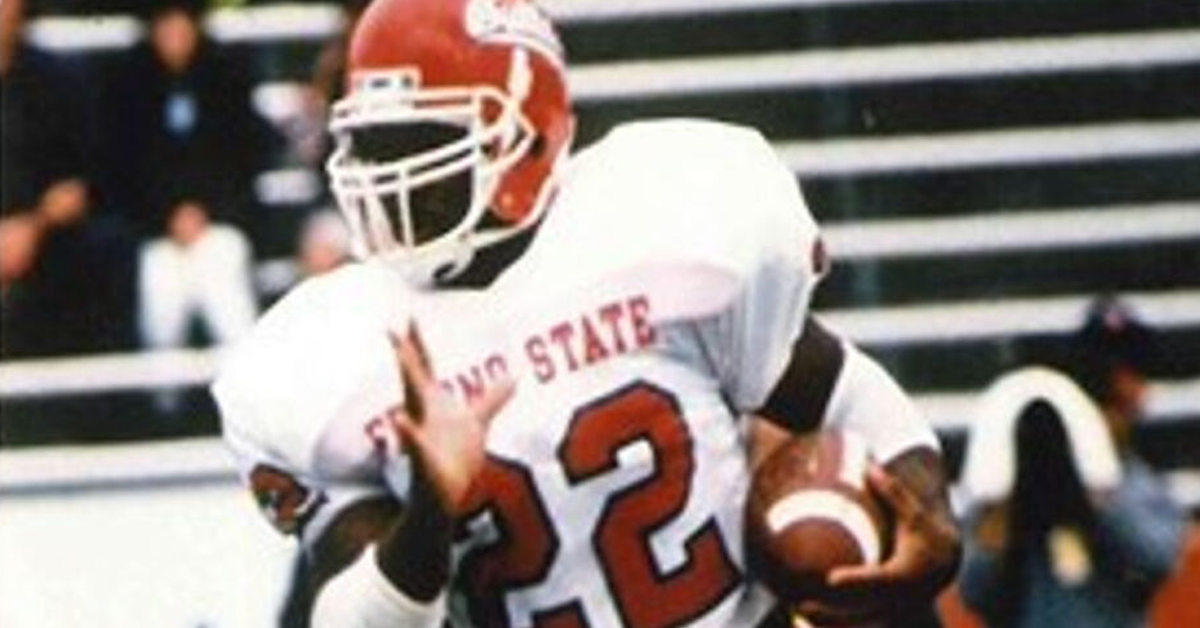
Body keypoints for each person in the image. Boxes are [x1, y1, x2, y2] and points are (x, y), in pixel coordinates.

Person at [211, 1, 961, 627]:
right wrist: (429, 515)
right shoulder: (336, 353)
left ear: (529, 131)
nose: (393, 175)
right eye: (375, 145)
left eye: (423, 141)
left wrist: (929, 504)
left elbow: (841, 390)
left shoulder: (655, 221)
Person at [958, 361, 1187, 628]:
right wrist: (1001, 515)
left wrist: (1099, 497)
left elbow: (1156, 562)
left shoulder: (1134, 485)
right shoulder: (995, 507)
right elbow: (974, 594)